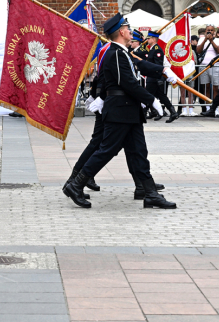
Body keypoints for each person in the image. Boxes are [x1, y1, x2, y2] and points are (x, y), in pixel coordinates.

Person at [63, 14, 175, 209]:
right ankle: (76, 184)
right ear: (122, 32)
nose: (130, 31)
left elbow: (132, 74)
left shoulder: (121, 53)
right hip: (120, 111)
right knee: (107, 150)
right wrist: (151, 100)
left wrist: (162, 73)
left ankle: (149, 193)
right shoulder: (115, 53)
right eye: (128, 28)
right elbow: (127, 83)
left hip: (129, 111)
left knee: (139, 152)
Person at [141, 31, 179, 123]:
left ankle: (143, 114)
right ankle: (172, 112)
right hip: (152, 77)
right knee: (161, 96)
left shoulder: (157, 49)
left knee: (147, 96)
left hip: (154, 78)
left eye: (149, 38)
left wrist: (159, 78)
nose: (147, 40)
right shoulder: (153, 48)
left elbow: (158, 65)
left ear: (154, 39)